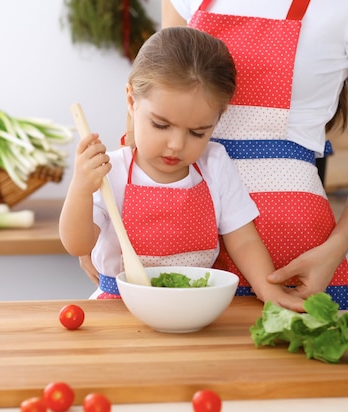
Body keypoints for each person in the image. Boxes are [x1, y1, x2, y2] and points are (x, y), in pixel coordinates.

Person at [160, 0, 348, 310]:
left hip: (289, 252)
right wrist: (109, 217)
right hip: (178, 229)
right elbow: (153, 102)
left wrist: (332, 252)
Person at [59, 27, 305, 311]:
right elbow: (78, 245)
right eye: (161, 125)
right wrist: (80, 188)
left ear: (217, 119)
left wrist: (267, 289)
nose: (176, 145)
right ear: (131, 100)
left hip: (196, 307)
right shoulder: (111, 170)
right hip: (120, 308)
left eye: (198, 132)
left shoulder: (215, 163)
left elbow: (243, 239)